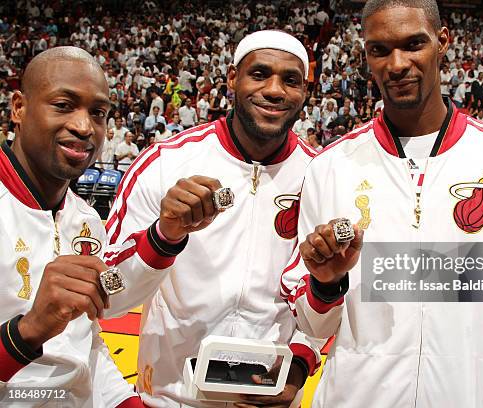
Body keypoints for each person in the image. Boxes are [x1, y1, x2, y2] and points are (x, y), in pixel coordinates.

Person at [282, 1, 483, 407]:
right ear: (366, 57)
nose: (397, 63)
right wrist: (325, 283)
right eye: (380, 50)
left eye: (413, 44)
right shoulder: (330, 167)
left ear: (442, 42)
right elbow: (312, 324)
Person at [104, 30, 323, 407]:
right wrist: (163, 236)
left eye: (290, 80)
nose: (275, 90)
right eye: (259, 74)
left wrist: (300, 364)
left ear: (305, 91)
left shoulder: (321, 175)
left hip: (269, 398)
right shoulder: (165, 163)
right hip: (170, 397)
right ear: (232, 80)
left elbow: (333, 288)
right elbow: (106, 290)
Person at [0, 46, 185, 407]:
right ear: (19, 108)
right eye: (63, 105)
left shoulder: (85, 219)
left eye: (97, 113)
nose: (84, 127)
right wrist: (27, 333)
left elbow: (84, 345)